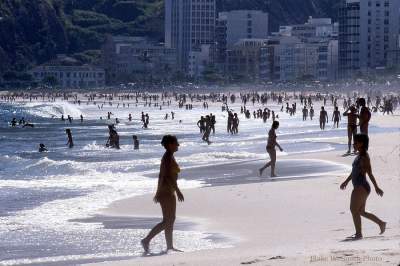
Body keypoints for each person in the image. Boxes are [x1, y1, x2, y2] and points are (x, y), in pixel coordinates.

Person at [141, 135, 184, 254]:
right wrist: (178, 190)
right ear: (170, 145)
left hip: (169, 190)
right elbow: (166, 176)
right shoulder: (167, 158)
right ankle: (146, 240)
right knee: (167, 220)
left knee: (171, 219)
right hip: (166, 191)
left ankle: (170, 246)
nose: (178, 145)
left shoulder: (170, 156)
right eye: (176, 143)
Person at [340, 134, 386, 240]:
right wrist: (346, 181)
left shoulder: (364, 157)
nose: (354, 144)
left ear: (362, 144)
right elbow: (354, 172)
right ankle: (381, 223)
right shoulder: (358, 156)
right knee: (361, 211)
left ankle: (358, 233)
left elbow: (369, 173)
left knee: (353, 209)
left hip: (361, 186)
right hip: (359, 186)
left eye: (356, 142)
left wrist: (377, 187)